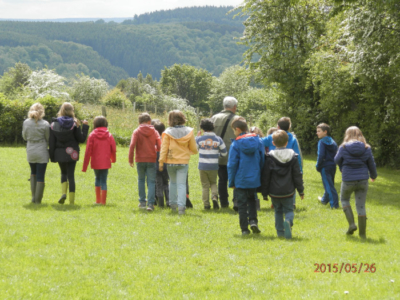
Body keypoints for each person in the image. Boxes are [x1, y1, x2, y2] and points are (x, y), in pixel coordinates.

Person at [334, 126, 377, 239]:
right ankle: (362, 235)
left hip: (348, 179)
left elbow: (336, 160)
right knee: (361, 205)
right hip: (363, 180)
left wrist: (342, 165)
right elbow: (371, 164)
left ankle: (352, 224)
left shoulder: (343, 147)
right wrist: (373, 176)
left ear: (347, 135)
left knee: (344, 199)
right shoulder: (366, 148)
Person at [261, 130, 304, 239]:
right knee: (289, 210)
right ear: (287, 142)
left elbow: (266, 176)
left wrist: (265, 193)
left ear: (273, 143)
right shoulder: (293, 156)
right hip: (288, 191)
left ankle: (280, 233)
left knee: (278, 211)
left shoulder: (269, 157)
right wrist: (301, 191)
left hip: (274, 191)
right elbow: (297, 175)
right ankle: (288, 221)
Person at [228, 116, 264, 235]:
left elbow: (232, 165)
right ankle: (253, 220)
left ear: (238, 129)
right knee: (252, 199)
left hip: (240, 179)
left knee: (242, 204)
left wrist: (231, 181)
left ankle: (244, 229)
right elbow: (262, 159)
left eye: (233, 130)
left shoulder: (236, 144)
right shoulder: (258, 141)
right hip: (254, 177)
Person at [159, 110, 198, 215]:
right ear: (182, 118)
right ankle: (182, 208)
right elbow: (194, 148)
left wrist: (161, 162)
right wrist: (190, 151)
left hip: (171, 161)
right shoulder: (189, 131)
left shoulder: (167, 132)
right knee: (181, 184)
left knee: (172, 182)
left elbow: (163, 149)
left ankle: (173, 206)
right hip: (183, 162)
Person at [49, 102, 89, 205]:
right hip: (72, 153)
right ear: (72, 111)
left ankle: (63, 193)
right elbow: (81, 139)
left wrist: (52, 156)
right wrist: (84, 127)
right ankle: (71, 202)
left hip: (59, 153)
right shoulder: (75, 124)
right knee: (71, 175)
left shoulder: (54, 124)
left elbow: (51, 142)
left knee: (63, 173)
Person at [262, 117, 303, 208]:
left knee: (275, 181)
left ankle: (276, 202)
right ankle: (291, 203)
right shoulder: (292, 138)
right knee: (291, 181)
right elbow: (297, 155)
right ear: (289, 127)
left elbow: (260, 142)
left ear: (278, 126)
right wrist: (300, 169)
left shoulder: (271, 137)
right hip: (290, 163)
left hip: (274, 163)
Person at [129, 113, 161, 211]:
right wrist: (156, 150)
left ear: (139, 122)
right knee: (151, 181)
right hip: (151, 159)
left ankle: (142, 202)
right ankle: (151, 204)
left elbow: (132, 145)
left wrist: (130, 159)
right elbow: (160, 144)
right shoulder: (154, 131)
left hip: (140, 159)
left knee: (141, 180)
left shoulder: (136, 131)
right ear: (149, 121)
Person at [82, 116, 116, 205]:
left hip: (95, 161)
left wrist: (84, 166)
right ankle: (103, 202)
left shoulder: (92, 134)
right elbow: (113, 148)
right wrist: (113, 159)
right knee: (104, 180)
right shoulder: (109, 135)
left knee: (97, 178)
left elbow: (88, 150)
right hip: (105, 161)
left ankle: (98, 200)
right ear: (105, 124)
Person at [211, 96, 238, 209]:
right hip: (235, 155)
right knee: (237, 178)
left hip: (218, 154)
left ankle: (224, 203)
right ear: (234, 107)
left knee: (222, 179)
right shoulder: (238, 119)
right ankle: (236, 201)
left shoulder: (214, 118)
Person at [196, 118, 227, 210]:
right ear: (213, 127)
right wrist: (218, 155)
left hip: (202, 165)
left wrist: (197, 137)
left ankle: (206, 205)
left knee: (205, 185)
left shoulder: (200, 139)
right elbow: (224, 153)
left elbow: (194, 149)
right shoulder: (218, 139)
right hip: (213, 165)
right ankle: (214, 196)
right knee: (213, 183)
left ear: (202, 128)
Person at [22, 103, 50, 204]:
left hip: (30, 149)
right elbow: (48, 138)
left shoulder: (26, 122)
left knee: (33, 173)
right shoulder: (45, 124)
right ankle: (38, 200)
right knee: (40, 175)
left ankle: (33, 198)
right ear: (42, 112)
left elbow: (24, 137)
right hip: (42, 150)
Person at [316, 123, 339, 208]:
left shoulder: (321, 142)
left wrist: (318, 165)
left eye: (319, 131)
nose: (317, 133)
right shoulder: (333, 141)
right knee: (329, 183)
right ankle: (324, 200)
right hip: (333, 166)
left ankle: (334, 205)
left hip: (325, 166)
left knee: (329, 186)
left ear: (325, 132)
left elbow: (321, 155)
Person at [153, 120, 169, 208]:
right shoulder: (166, 140)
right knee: (166, 183)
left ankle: (160, 202)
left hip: (156, 167)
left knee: (158, 184)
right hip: (166, 166)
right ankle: (169, 201)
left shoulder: (154, 141)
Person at [250, 126, 264, 211]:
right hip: (257, 166)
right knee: (254, 186)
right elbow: (262, 155)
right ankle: (256, 204)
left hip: (248, 166)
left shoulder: (245, 141)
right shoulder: (260, 141)